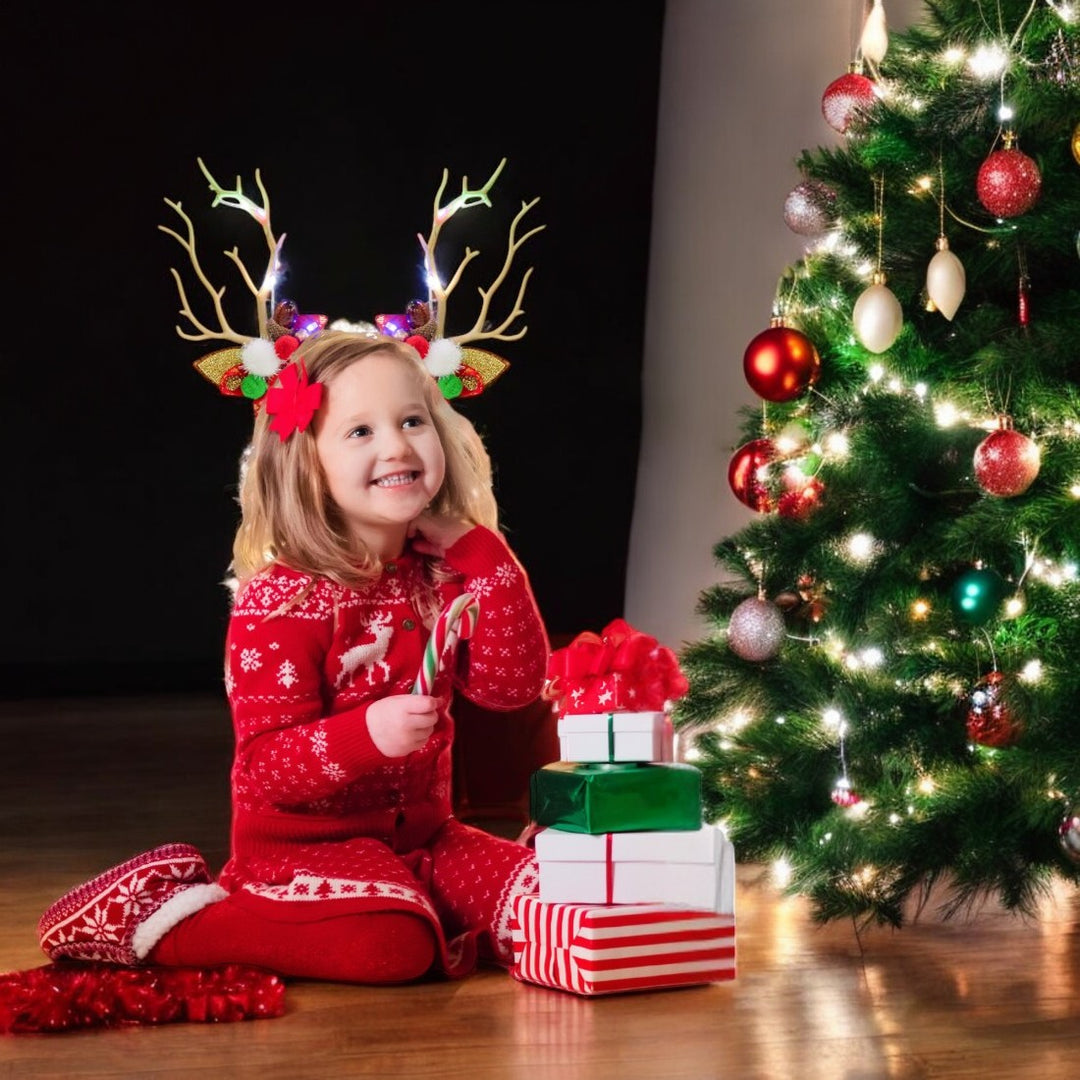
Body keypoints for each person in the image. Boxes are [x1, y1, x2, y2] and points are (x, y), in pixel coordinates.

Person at [37, 331, 550, 984]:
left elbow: (513, 688)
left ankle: (415, 899)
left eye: (412, 420)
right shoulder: (282, 601)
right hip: (307, 852)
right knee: (391, 949)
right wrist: (368, 735)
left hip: (426, 840)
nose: (396, 445)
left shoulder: (442, 573)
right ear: (306, 463)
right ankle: (168, 921)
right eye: (360, 431)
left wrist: (489, 559)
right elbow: (266, 768)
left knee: (545, 900)